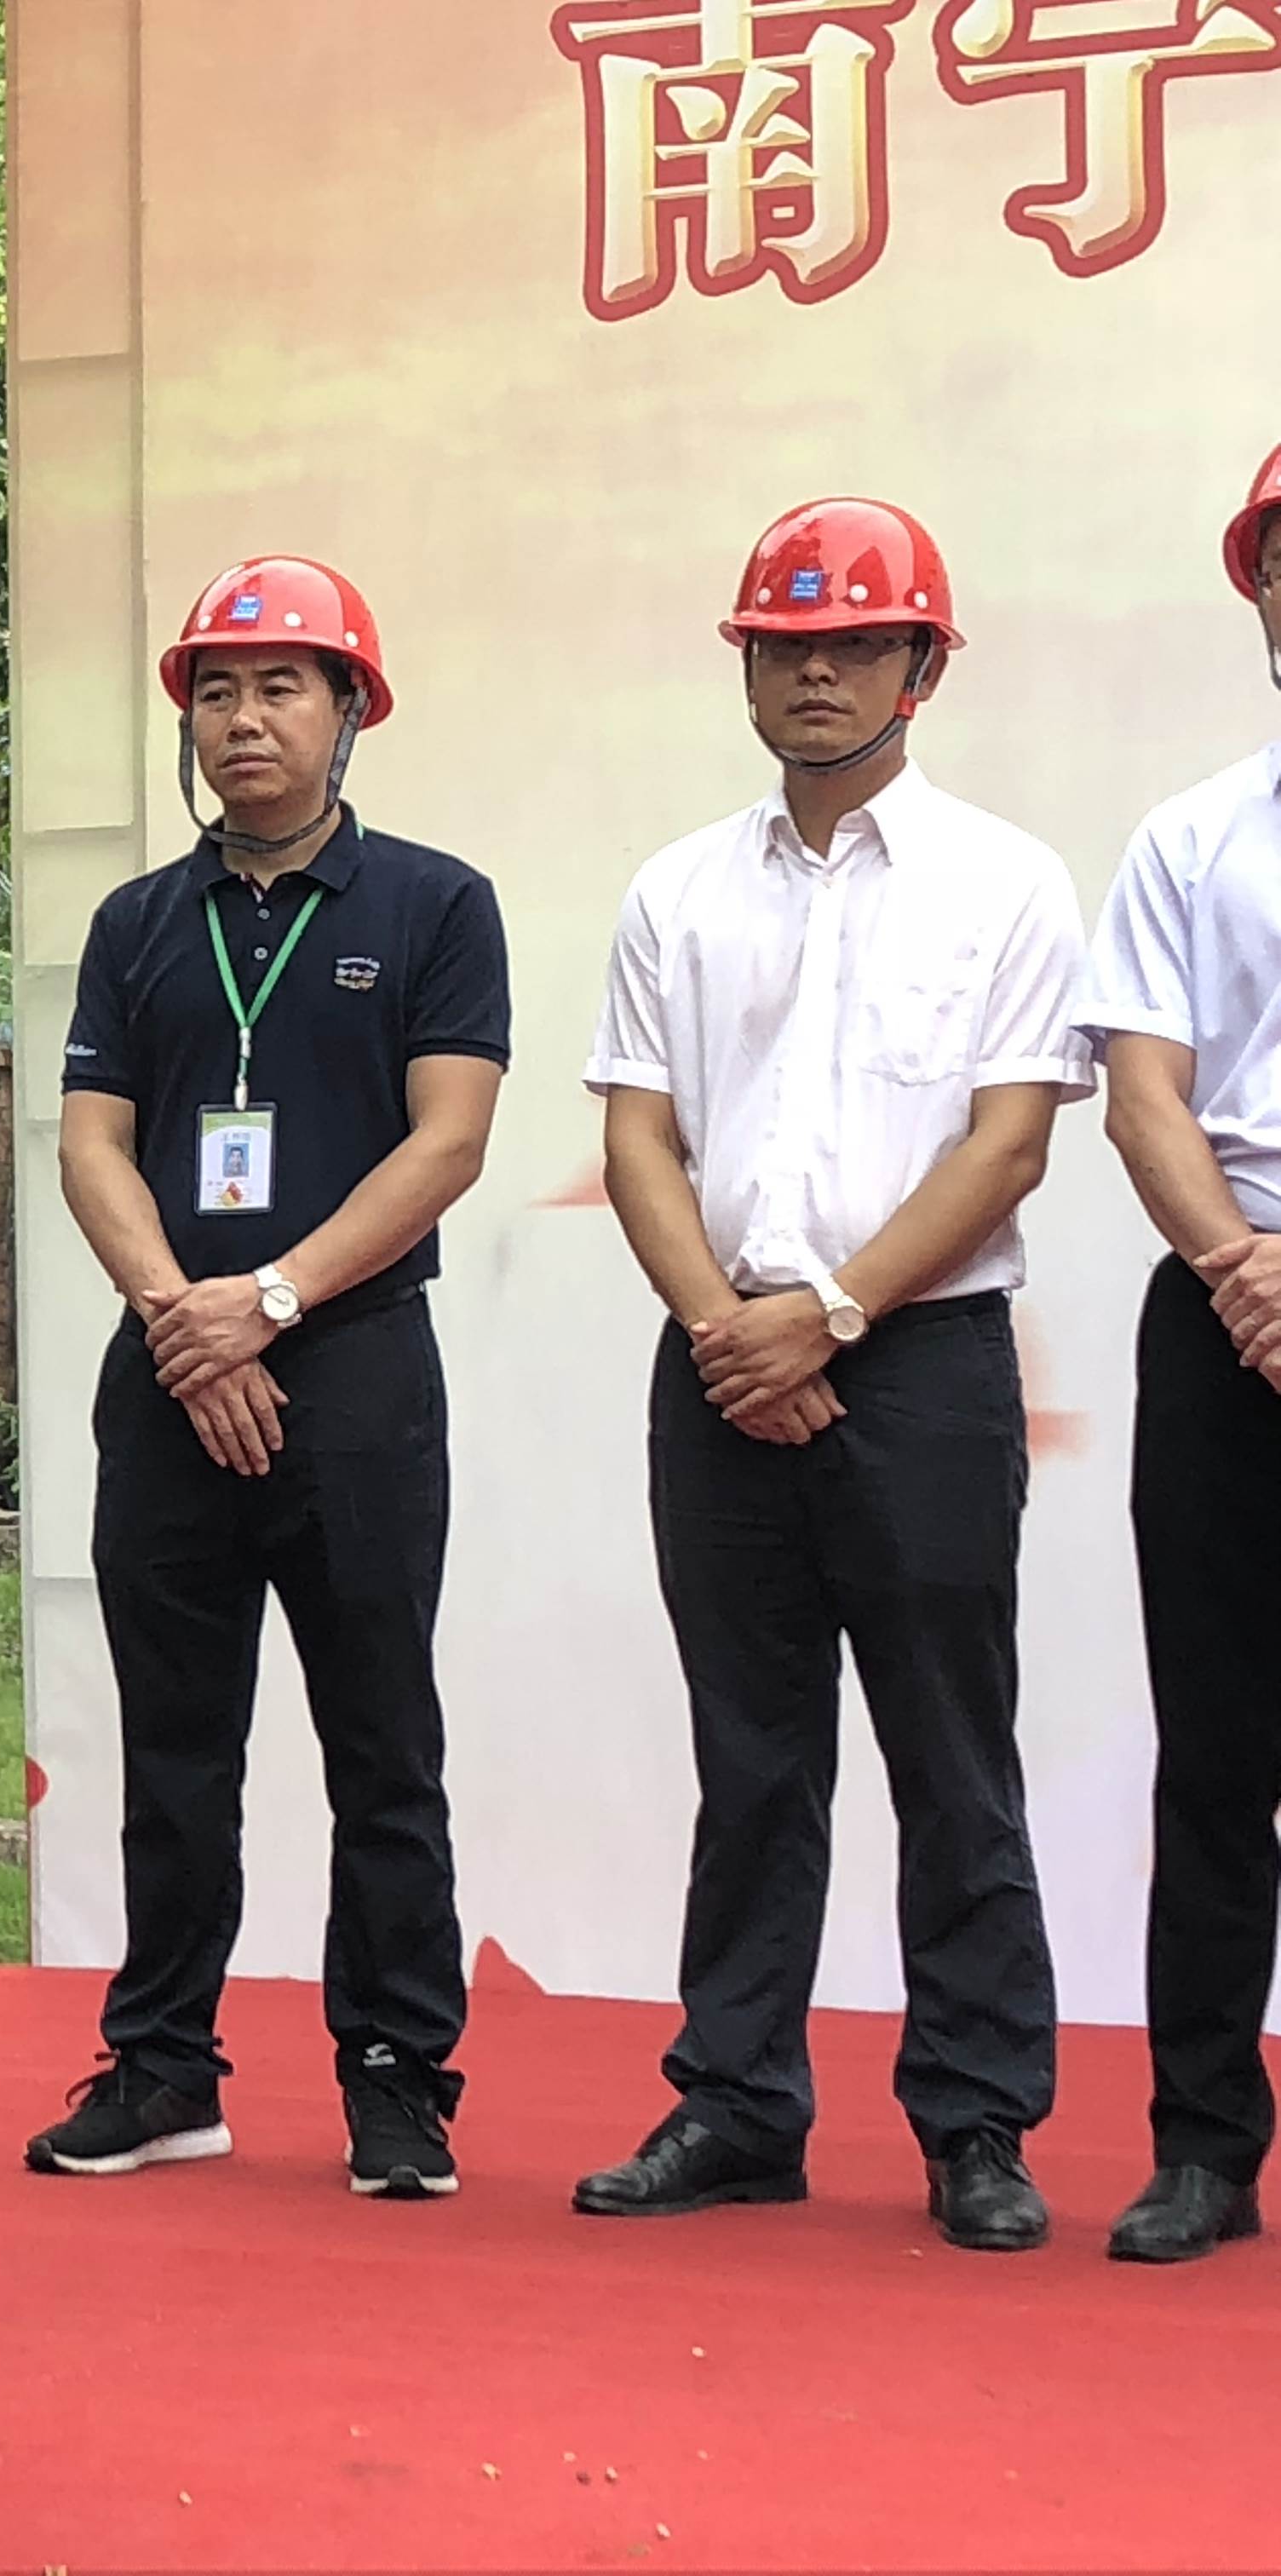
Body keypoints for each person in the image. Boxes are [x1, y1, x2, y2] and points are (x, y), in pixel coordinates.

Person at [574, 498, 1089, 2252]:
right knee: (752, 1756)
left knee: (952, 1752)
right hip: (719, 1360)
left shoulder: (1007, 881)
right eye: (787, 646)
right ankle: (737, 2104)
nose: (818, 675)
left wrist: (838, 1315)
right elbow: (639, 1136)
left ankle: (976, 2121)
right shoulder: (677, 889)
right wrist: (730, 1328)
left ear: (920, 667)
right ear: (747, 669)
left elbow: (1007, 1144)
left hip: (921, 1360)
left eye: (857, 643)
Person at [30, 557, 510, 2200]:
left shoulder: (435, 906)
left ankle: (397, 2076)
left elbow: (448, 1141)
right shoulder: (137, 926)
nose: (244, 718)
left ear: (351, 708)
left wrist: (276, 1300)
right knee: (176, 1745)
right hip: (170, 1372)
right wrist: (185, 1316)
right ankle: (163, 2066)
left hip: (355, 1374)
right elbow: (92, 1145)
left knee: (382, 1740)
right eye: (217, 691)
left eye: (283, 686)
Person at [1071, 441, 1281, 2267]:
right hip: (1231, 1321)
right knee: (1217, 1752)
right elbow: (1144, 1094)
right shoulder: (1194, 837)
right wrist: (1242, 1272)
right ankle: (1206, 2143)